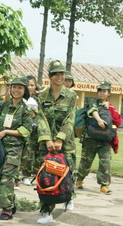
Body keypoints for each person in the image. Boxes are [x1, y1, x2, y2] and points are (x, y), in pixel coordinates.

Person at [36, 60, 77, 224]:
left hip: (65, 142)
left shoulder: (71, 95)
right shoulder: (41, 96)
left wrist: (60, 138)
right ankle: (46, 211)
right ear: (50, 76)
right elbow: (41, 118)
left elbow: (70, 119)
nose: (60, 77)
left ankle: (69, 196)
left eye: (62, 74)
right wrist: (47, 139)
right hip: (45, 143)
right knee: (46, 175)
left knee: (67, 172)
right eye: (56, 74)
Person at [0, 75, 32, 220]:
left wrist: (6, 131)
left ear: (24, 90)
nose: (16, 90)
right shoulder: (4, 105)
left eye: (20, 88)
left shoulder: (26, 110)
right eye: (14, 87)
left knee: (6, 178)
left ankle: (6, 210)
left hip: (14, 149)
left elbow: (26, 130)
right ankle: (11, 202)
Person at [77, 81, 122, 194]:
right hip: (90, 138)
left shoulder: (110, 106)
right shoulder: (93, 102)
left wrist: (110, 109)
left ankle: (104, 186)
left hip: (105, 140)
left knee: (105, 162)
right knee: (86, 162)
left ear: (109, 93)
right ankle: (79, 180)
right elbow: (93, 111)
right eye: (100, 91)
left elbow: (117, 121)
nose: (102, 93)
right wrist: (99, 120)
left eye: (104, 91)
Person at [17, 75, 40, 187]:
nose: (30, 87)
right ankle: (19, 175)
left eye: (32, 85)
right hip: (22, 130)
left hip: (35, 131)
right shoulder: (20, 99)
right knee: (23, 154)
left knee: (33, 155)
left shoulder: (37, 100)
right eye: (28, 85)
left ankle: (29, 175)